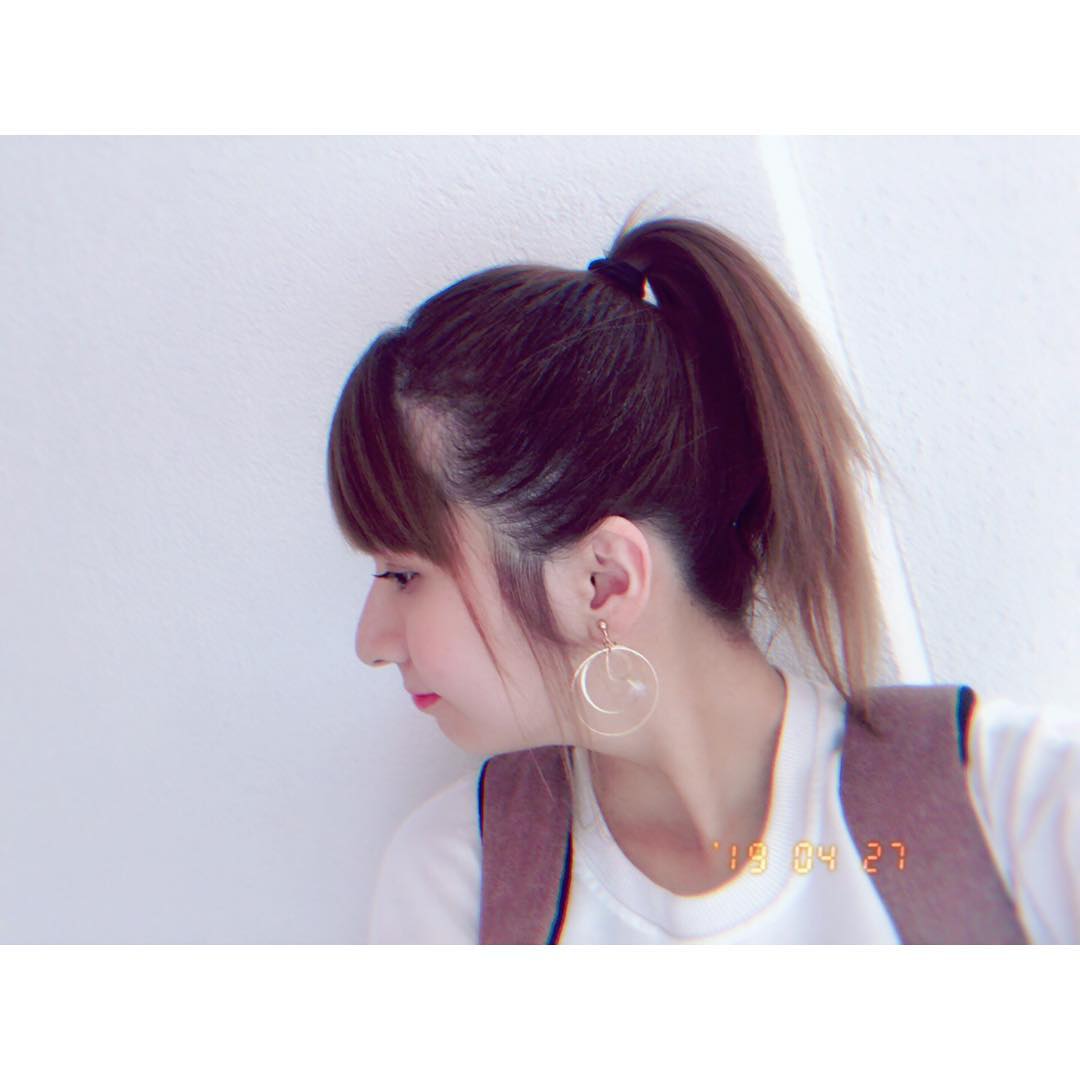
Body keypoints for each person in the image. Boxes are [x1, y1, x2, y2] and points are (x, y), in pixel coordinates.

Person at [326, 209, 1079, 944]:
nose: (370, 642)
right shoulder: (460, 883)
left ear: (602, 582)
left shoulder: (1017, 808)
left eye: (403, 574)